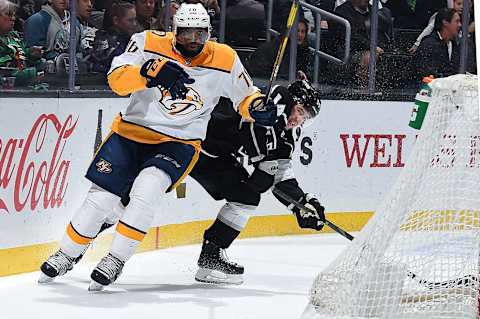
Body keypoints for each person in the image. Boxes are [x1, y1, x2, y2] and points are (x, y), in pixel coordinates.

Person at [38, 3, 275, 291]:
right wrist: (147, 73)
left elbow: (247, 97)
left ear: (209, 33)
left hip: (179, 142)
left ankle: (115, 258)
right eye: (187, 34)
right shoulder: (148, 42)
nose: (193, 41)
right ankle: (67, 253)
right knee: (100, 199)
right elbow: (117, 79)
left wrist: (258, 108)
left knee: (145, 192)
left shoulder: (225, 58)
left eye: (200, 34)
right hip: (130, 134)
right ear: (174, 31)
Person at [189, 80, 325, 284]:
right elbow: (252, 122)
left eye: (304, 117)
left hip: (213, 156)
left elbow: (280, 173)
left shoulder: (290, 133)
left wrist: (300, 203)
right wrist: (264, 160)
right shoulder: (275, 101)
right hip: (189, 139)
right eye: (299, 110)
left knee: (246, 197)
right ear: (291, 102)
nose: (298, 119)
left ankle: (211, 257)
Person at [0, 0, 43, 86]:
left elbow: (21, 59)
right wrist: (32, 74)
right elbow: (5, 71)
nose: (13, 18)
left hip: (25, 84)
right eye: (8, 14)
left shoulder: (13, 36)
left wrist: (30, 54)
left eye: (13, 15)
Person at [89, 1, 137, 74]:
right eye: (130, 20)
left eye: (135, 19)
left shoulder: (132, 39)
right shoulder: (103, 41)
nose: (134, 24)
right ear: (116, 20)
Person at [413, 8, 462, 79]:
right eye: (457, 21)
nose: (460, 25)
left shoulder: (455, 44)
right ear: (445, 22)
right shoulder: (428, 44)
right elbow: (425, 72)